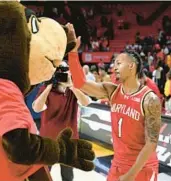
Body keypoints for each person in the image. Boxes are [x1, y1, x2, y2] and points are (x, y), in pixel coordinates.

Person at [67, 24, 160, 181]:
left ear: (131, 66)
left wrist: (131, 175)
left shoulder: (149, 99)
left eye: (118, 63)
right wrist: (73, 52)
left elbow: (152, 143)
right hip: (118, 163)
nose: (113, 67)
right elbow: (79, 83)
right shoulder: (112, 91)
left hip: (142, 168)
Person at [32, 62, 91, 181]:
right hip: (48, 140)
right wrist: (48, 87)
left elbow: (86, 103)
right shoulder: (46, 89)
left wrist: (71, 86)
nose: (61, 75)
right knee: (43, 174)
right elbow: (37, 108)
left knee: (68, 176)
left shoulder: (73, 90)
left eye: (64, 71)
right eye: (58, 72)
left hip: (69, 141)